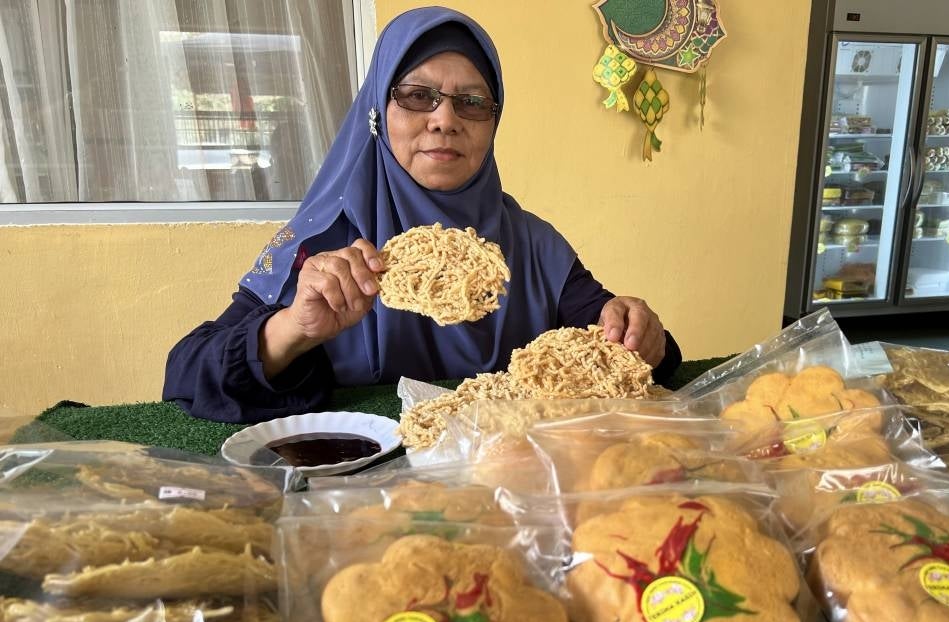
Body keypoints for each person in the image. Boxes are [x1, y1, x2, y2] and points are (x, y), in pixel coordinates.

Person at [164, 7, 682, 423]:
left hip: (506, 488)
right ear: (377, 110)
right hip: (351, 492)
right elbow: (185, 375)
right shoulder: (324, 245)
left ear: (493, 123)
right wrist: (293, 329)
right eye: (417, 96)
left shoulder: (531, 245)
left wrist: (642, 333)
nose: (444, 120)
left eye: (473, 102)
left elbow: (621, 346)